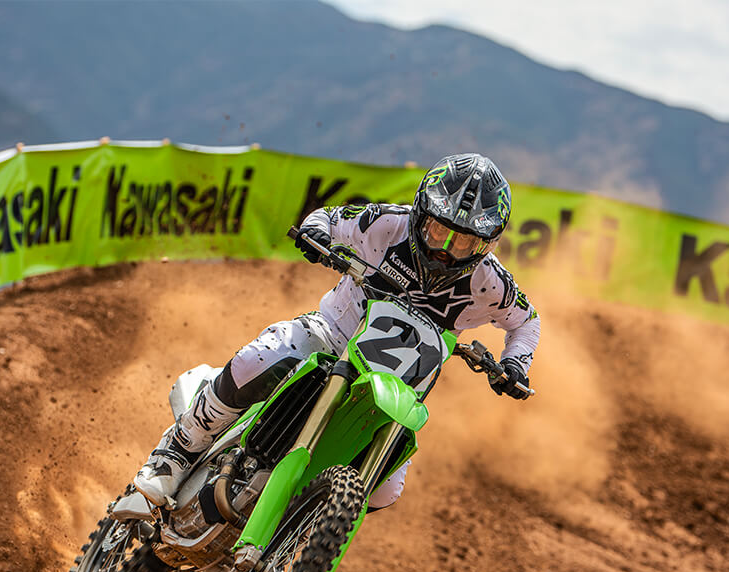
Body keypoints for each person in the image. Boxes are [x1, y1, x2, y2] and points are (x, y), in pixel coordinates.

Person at [133, 153, 541, 509]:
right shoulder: (387, 224)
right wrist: (317, 235)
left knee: (385, 490)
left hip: (394, 389)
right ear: (421, 213)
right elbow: (329, 217)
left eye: (464, 241)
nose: (445, 247)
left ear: (487, 244)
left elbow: (526, 322)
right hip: (332, 337)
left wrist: (515, 364)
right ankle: (176, 452)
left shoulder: (491, 283)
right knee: (260, 359)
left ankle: (301, 529)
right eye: (439, 230)